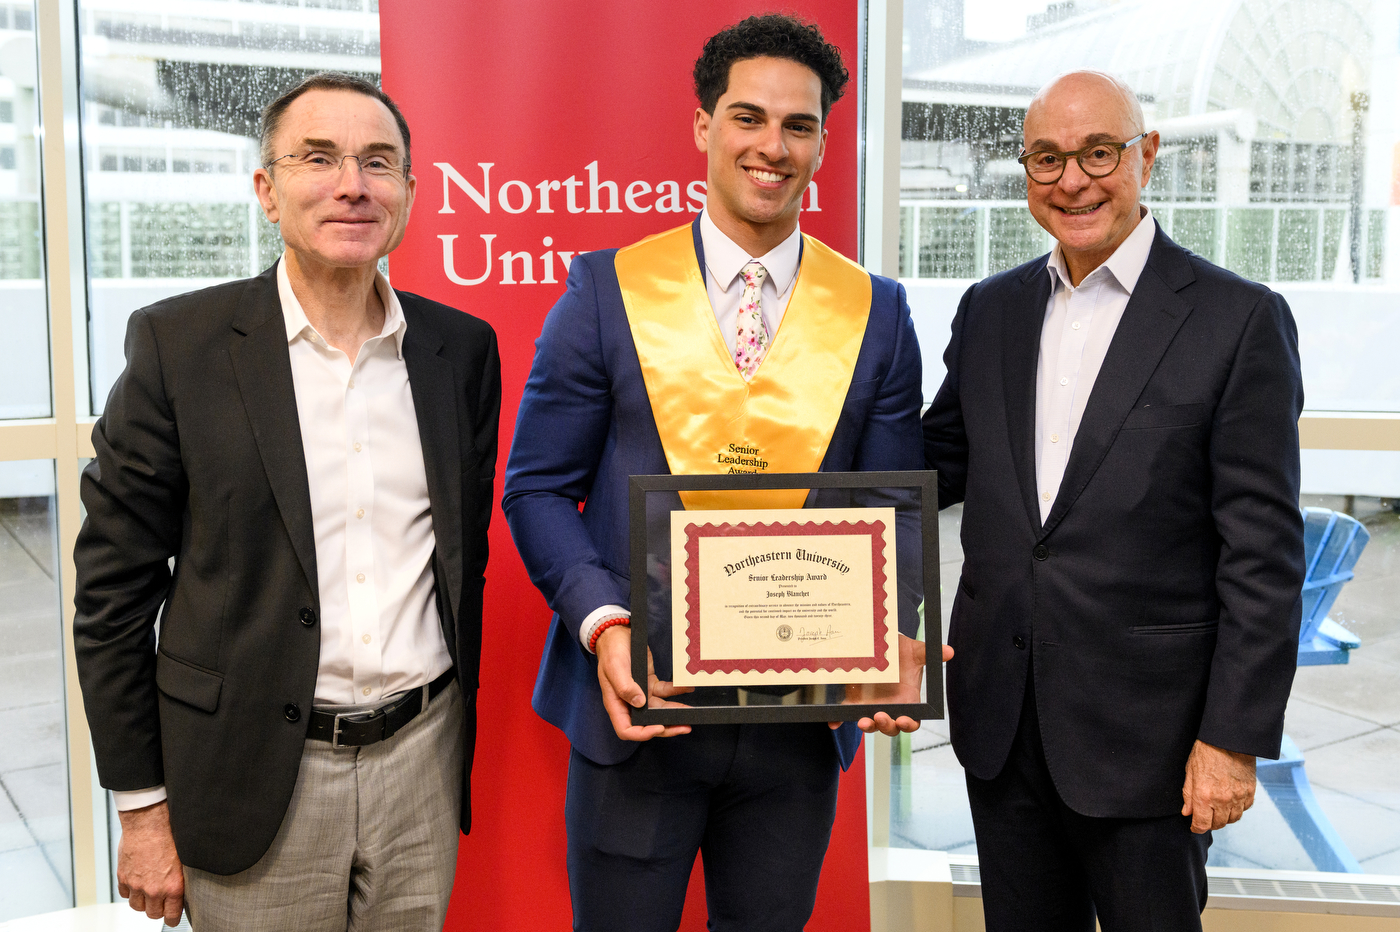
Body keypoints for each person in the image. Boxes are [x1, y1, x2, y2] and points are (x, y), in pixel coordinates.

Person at [502, 14, 940, 932]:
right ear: (704, 127)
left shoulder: (878, 312)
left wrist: (897, 632)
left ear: (824, 142)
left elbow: (896, 507)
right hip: (638, 709)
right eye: (748, 118)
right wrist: (602, 622)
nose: (771, 147)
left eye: (799, 125)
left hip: (800, 733)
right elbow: (536, 487)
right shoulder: (605, 290)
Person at [73, 72, 500, 931]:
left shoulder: (462, 350)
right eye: (319, 159)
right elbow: (113, 595)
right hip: (253, 771)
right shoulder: (180, 347)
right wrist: (143, 806)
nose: (353, 184)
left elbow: (464, 559)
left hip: (422, 759)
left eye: (379, 163)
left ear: (409, 195)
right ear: (268, 190)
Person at [921, 70, 1305, 931]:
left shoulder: (1237, 321)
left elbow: (1264, 554)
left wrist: (1231, 739)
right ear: (1024, 173)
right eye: (1046, 159)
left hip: (1154, 744)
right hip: (1003, 724)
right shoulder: (990, 311)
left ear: (1148, 156)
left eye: (1099, 153)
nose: (1073, 180)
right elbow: (933, 464)